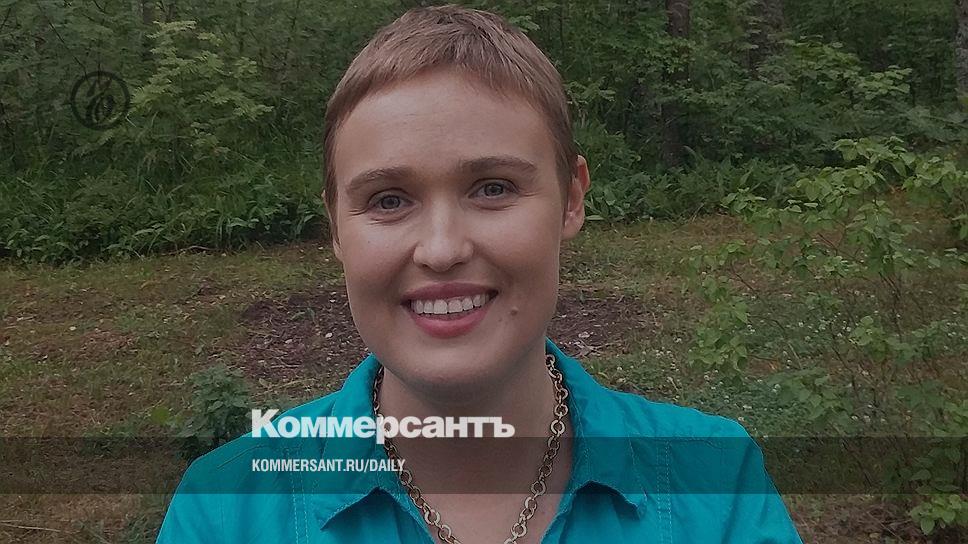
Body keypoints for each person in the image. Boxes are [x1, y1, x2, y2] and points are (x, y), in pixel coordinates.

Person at [156, 4, 803, 543]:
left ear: (571, 199)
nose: (441, 250)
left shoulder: (713, 486)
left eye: (493, 188)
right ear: (335, 227)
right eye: (388, 199)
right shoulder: (225, 512)